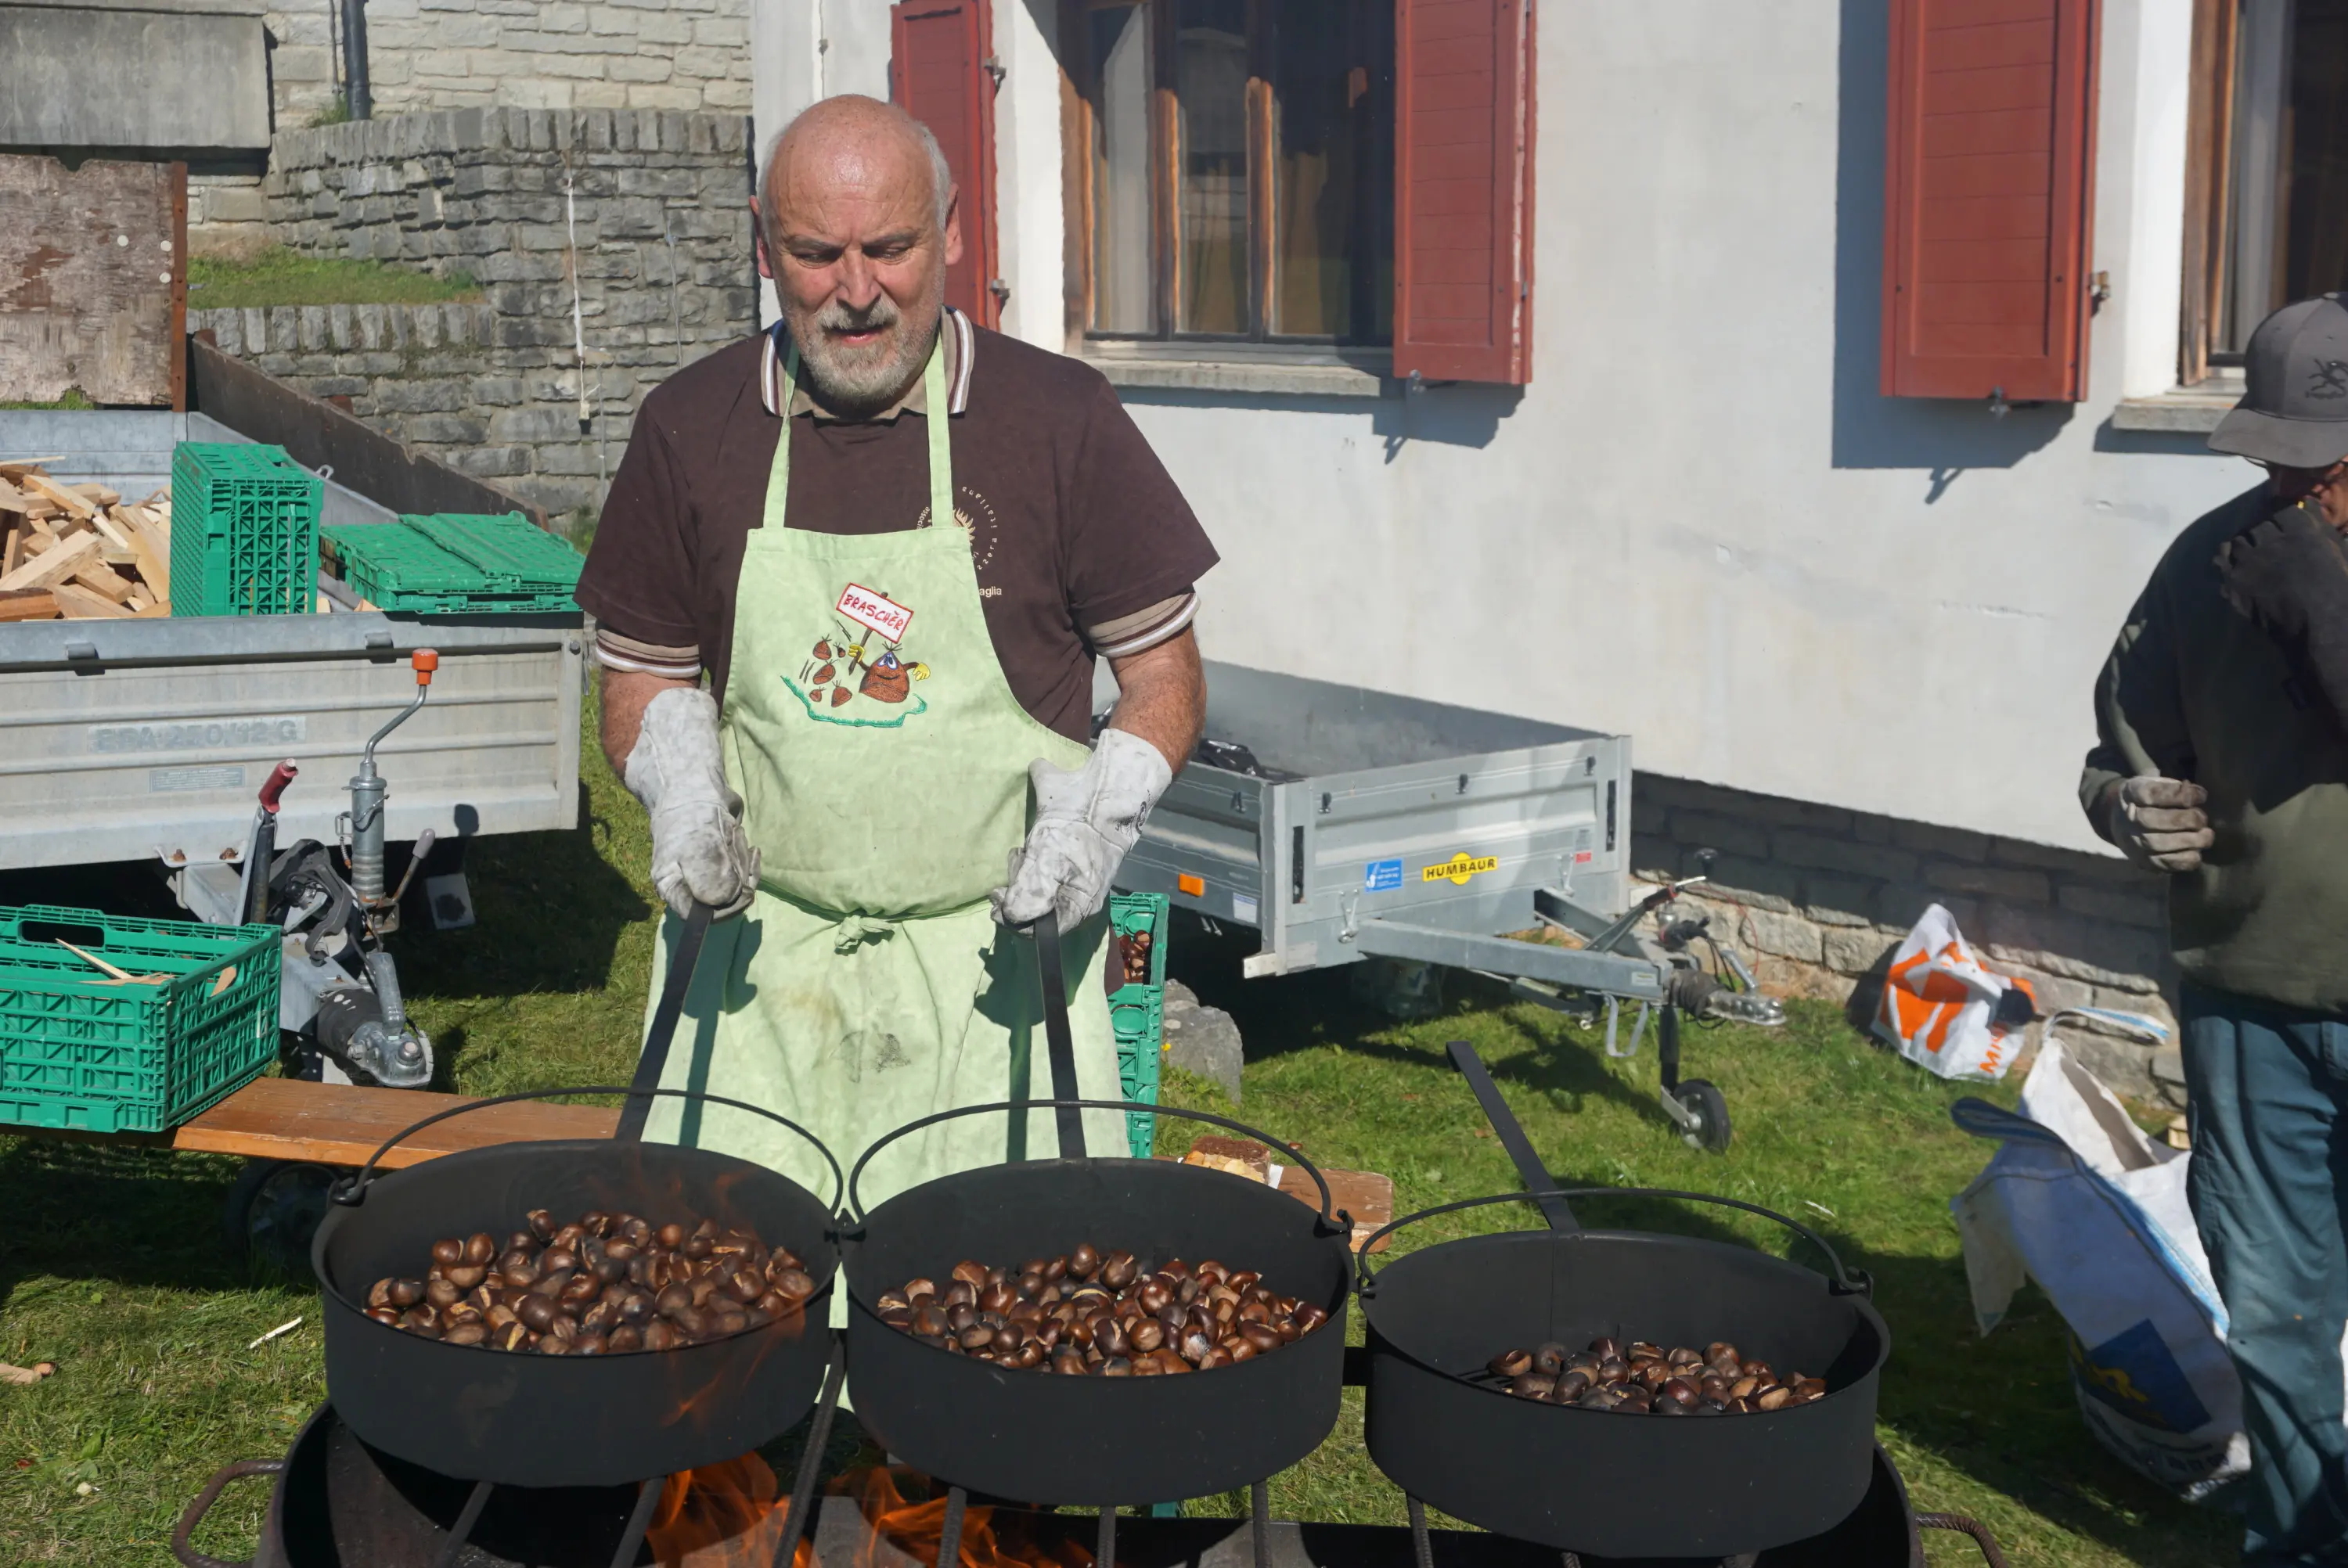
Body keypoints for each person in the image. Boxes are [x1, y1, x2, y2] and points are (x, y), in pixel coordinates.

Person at [575, 95, 1215, 1207]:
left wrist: (1101, 815)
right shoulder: (689, 427)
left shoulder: (1060, 422)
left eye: (893, 249)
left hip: (1001, 988)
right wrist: (674, 785)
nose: (858, 291)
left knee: (999, 1334)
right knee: (731, 1323)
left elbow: (1165, 676)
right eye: (818, 254)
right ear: (762, 247)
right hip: (756, 984)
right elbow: (640, 678)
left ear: (954, 234)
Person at [2081, 293, 2348, 1565]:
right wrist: (2125, 806)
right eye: (2275, 455)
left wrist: (2325, 614)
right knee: (2281, 1305)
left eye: (2323, 459)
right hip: (2251, 993)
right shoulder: (2208, 563)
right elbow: (2116, 749)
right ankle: (2301, 1535)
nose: (2290, 484)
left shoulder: (2290, 572)